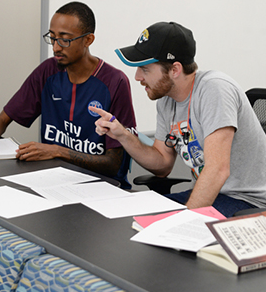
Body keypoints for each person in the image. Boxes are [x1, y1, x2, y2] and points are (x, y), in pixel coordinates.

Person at [90, 21, 266, 217]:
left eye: (145, 69)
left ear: (175, 69)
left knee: (159, 226)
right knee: (129, 215)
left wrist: (183, 224)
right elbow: (162, 165)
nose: (137, 77)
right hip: (211, 195)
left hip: (247, 201)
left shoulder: (215, 89)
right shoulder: (166, 101)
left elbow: (217, 170)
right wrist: (122, 135)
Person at [0, 1, 137, 188]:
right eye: (52, 38)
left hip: (101, 188)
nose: (56, 47)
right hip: (53, 183)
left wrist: (59, 151)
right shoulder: (47, 72)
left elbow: (113, 165)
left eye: (65, 39)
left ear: (88, 40)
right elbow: (1, 121)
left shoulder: (114, 82)